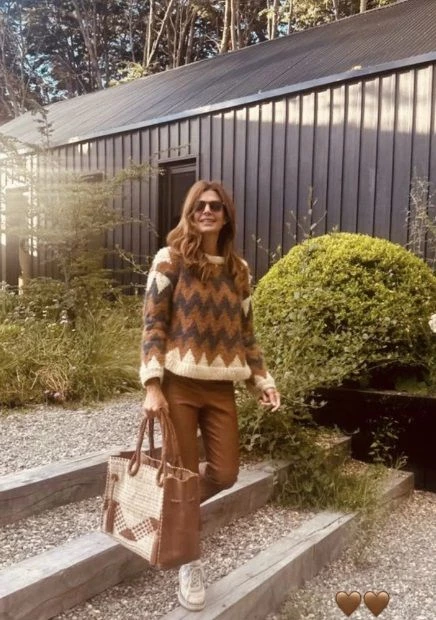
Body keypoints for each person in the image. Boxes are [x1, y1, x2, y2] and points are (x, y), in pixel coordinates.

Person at [140, 179, 280, 611]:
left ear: (226, 216)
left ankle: (168, 510)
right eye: (199, 205)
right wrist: (152, 385)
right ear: (190, 211)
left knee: (226, 472)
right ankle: (190, 563)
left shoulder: (239, 270)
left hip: (221, 388)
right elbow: (153, 325)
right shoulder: (170, 260)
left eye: (215, 206)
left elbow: (247, 335)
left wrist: (264, 381)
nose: (206, 211)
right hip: (178, 386)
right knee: (183, 475)